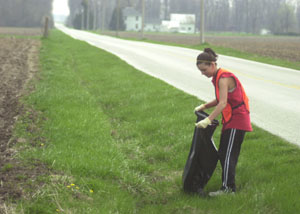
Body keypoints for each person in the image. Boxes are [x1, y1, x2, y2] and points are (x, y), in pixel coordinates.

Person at [194, 48, 252, 196]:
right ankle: (227, 186)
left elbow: (223, 103)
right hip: (230, 119)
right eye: (201, 71)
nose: (203, 73)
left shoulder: (223, 77)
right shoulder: (217, 77)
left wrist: (208, 120)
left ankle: (228, 189)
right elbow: (220, 99)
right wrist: (204, 106)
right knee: (224, 153)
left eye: (204, 70)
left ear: (212, 64)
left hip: (238, 120)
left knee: (228, 155)